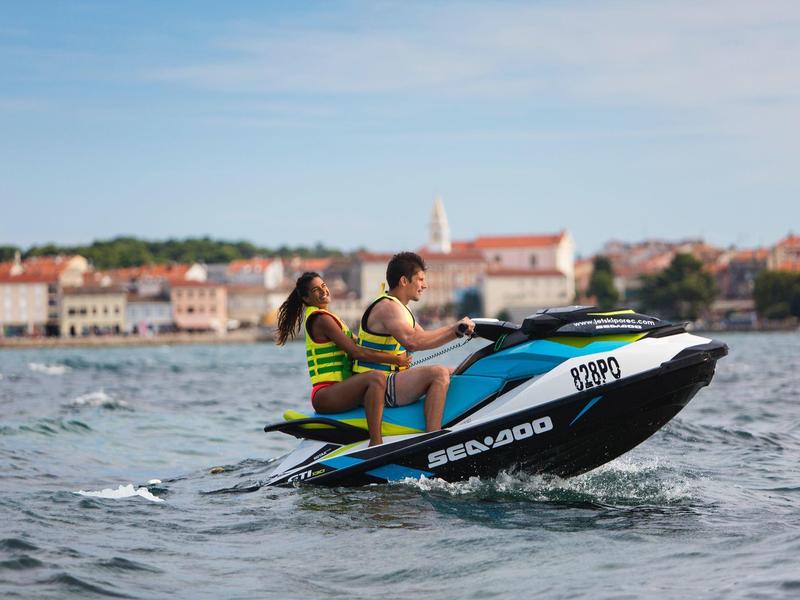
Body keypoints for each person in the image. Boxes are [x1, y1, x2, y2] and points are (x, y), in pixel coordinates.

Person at [275, 272, 411, 446]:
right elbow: (356, 353)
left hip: (339, 390)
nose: (324, 291)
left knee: (378, 376)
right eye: (316, 290)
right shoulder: (321, 320)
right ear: (306, 298)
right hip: (326, 394)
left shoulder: (330, 317)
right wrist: (395, 360)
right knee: (375, 378)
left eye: (324, 286)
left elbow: (360, 345)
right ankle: (375, 442)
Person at [353, 251, 475, 439]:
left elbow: (423, 337)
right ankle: (433, 440)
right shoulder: (388, 307)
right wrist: (454, 329)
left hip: (390, 380)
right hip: (376, 387)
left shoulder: (401, 307)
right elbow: (413, 342)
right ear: (404, 281)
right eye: (420, 279)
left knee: (460, 370)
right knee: (438, 373)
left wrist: (458, 330)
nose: (424, 285)